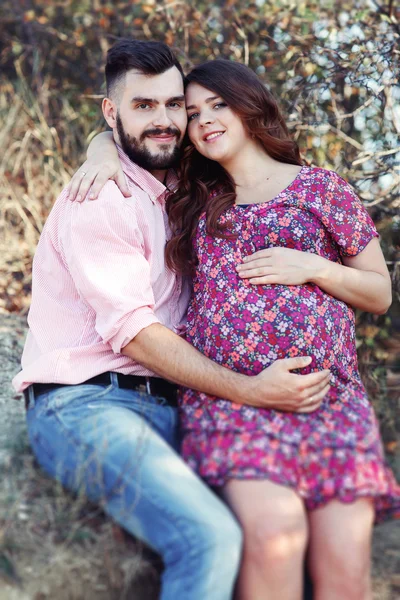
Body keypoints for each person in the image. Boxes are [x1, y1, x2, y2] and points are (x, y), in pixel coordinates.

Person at [12, 41, 334, 600]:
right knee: (207, 538)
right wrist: (254, 391)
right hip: (89, 406)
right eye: (143, 106)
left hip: (175, 408)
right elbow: (134, 335)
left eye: (173, 105)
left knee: (283, 532)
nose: (163, 121)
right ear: (111, 113)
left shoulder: (182, 191)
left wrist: (101, 146)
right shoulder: (102, 197)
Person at [76, 58, 400, 600]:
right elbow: (127, 136)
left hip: (330, 400)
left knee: (345, 573)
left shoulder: (322, 188)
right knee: (275, 541)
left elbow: (379, 293)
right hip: (235, 404)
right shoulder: (189, 193)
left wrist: (315, 267)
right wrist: (99, 148)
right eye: (192, 111)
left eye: (218, 105)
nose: (203, 121)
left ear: (249, 104)